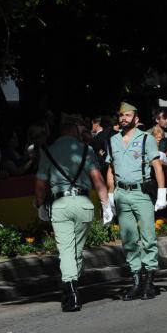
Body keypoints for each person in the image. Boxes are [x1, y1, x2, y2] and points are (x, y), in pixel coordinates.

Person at [34, 114, 112, 312]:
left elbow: (40, 184)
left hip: (60, 204)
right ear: (73, 129)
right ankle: (71, 288)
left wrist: (40, 205)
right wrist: (106, 206)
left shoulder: (48, 151)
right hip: (83, 204)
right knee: (76, 250)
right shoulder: (87, 149)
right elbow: (98, 180)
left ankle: (72, 292)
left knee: (67, 250)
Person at [106, 102, 167, 301]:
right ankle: (136, 281)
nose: (123, 118)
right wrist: (109, 197)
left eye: (127, 115)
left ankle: (149, 281)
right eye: (121, 115)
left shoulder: (146, 139)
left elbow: (157, 166)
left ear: (136, 119)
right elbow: (110, 169)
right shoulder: (113, 140)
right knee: (128, 238)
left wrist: (161, 193)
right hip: (122, 193)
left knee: (148, 237)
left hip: (141, 193)